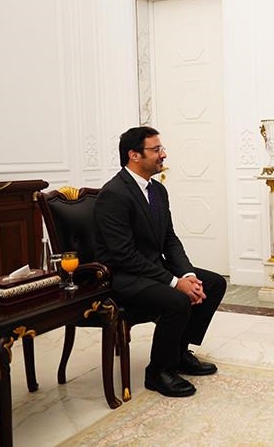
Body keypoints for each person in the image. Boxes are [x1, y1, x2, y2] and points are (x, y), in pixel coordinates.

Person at [94, 126, 226, 398]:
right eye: (156, 150)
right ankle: (158, 372)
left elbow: (169, 240)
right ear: (134, 155)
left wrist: (187, 275)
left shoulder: (158, 191)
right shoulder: (114, 194)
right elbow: (123, 255)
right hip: (123, 276)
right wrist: (175, 283)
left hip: (151, 269)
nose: (163, 154)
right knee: (177, 300)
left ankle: (178, 353)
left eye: (161, 148)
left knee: (213, 283)